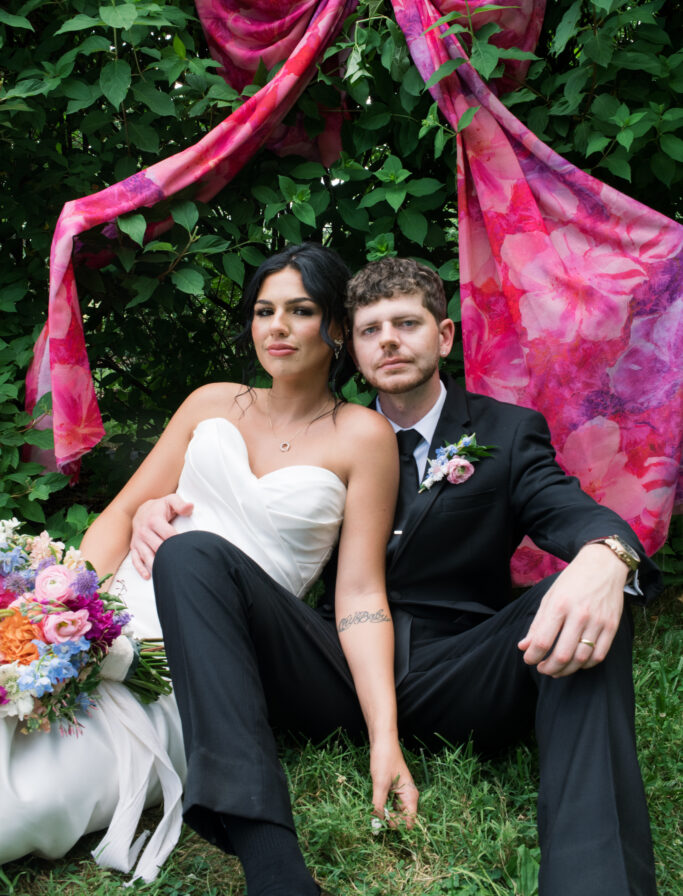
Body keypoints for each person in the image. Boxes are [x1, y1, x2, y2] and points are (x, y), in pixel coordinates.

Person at [141, 257, 662, 896]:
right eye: (369, 329)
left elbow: (568, 509)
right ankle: (272, 867)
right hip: (336, 668)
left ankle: (593, 883)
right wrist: (153, 503)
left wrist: (608, 554)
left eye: (407, 323)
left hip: (463, 671)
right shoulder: (329, 432)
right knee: (192, 552)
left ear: (443, 336)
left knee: (582, 601)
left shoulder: (504, 432)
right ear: (349, 348)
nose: (388, 340)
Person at [0, 243, 416, 892]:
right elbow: (119, 516)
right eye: (262, 310)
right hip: (122, 601)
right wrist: (58, 605)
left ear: (336, 326)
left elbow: (361, 590)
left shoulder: (362, 435)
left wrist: (382, 736)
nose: (275, 327)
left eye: (299, 310)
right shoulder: (211, 403)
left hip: (213, 652)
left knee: (42, 790)